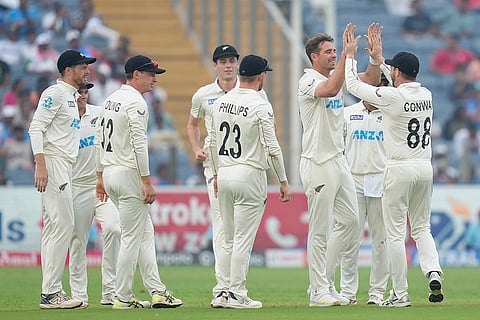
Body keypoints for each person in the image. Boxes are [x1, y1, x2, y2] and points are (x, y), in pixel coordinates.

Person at [344, 27, 444, 306]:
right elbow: (398, 77)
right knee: (422, 228)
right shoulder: (426, 94)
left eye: (393, 70)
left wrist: (351, 57)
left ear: (397, 72)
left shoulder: (391, 97)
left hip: (398, 168)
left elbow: (353, 86)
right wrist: (380, 59)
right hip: (425, 167)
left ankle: (400, 294)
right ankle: (433, 271)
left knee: (395, 235)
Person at [297, 23, 382, 307]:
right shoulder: (308, 80)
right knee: (320, 229)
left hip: (338, 160)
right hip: (317, 162)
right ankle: (319, 290)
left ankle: (322, 283)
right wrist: (348, 55)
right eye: (328, 52)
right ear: (314, 57)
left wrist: (373, 58)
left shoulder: (336, 74)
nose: (333, 55)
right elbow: (332, 89)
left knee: (351, 222)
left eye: (335, 51)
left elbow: (368, 81)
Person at [94, 54, 183, 309]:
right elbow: (139, 144)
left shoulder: (110, 99)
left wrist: (100, 176)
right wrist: (146, 181)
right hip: (128, 173)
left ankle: (157, 291)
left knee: (144, 233)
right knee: (133, 237)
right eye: (150, 74)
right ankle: (122, 296)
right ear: (136, 75)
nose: (154, 79)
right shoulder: (137, 103)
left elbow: (101, 140)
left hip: (111, 172)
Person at [208, 54, 291, 309]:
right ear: (261, 77)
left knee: (228, 237)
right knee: (243, 238)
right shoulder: (260, 104)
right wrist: (283, 181)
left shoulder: (221, 102)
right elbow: (273, 148)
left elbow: (211, 141)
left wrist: (214, 174)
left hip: (225, 173)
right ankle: (237, 293)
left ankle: (222, 292)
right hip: (249, 174)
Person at [28, 49, 96, 309]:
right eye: (82, 67)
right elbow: (36, 128)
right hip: (54, 163)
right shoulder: (55, 93)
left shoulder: (70, 97)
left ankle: (50, 290)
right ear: (68, 70)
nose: (87, 71)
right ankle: (52, 292)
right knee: (63, 226)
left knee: (55, 227)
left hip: (63, 165)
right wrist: (41, 164)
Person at [187, 44, 240, 308]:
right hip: (216, 169)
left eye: (232, 60)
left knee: (240, 230)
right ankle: (222, 288)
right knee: (222, 228)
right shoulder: (204, 94)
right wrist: (196, 148)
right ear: (216, 65)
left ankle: (236, 287)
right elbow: (192, 124)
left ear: (237, 63)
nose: (228, 65)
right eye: (223, 61)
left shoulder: (251, 91)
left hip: (245, 169)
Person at [69, 83, 121, 307]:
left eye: (84, 92)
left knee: (113, 229)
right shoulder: (62, 120)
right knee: (78, 241)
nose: (82, 95)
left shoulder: (99, 113)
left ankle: (110, 291)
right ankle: (79, 295)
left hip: (102, 184)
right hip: (76, 186)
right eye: (78, 92)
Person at [340, 75, 390, 305]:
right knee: (350, 239)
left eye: (380, 87)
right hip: (353, 181)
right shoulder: (348, 113)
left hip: (382, 181)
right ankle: (347, 293)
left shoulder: (392, 114)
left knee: (381, 240)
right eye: (372, 86)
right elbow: (338, 148)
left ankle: (377, 293)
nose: (375, 91)